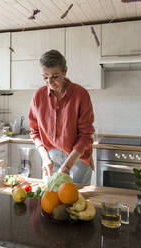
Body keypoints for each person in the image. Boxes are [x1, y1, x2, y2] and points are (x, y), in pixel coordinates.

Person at [29, 49, 95, 185]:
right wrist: (45, 157)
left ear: (65, 71)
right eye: (45, 77)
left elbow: (86, 135)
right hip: (51, 159)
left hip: (77, 159)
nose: (49, 82)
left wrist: (67, 166)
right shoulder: (38, 96)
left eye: (55, 76)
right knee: (50, 201)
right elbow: (34, 132)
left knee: (76, 202)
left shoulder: (80, 95)